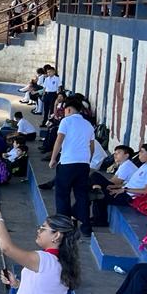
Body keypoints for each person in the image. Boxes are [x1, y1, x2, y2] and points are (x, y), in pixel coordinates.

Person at [49, 97, 95, 235]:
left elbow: (59, 141)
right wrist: (87, 161)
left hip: (67, 163)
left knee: (62, 195)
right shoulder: (88, 124)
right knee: (81, 195)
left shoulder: (66, 121)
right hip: (83, 164)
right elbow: (92, 147)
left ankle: (64, 226)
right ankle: (86, 227)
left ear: (68, 109)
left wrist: (53, 159)